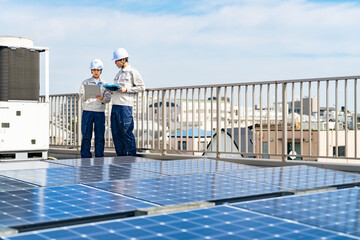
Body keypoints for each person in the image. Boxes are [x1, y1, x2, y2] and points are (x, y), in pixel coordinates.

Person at [110, 48, 145, 156]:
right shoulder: (118, 74)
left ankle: (131, 158)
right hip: (115, 105)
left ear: (123, 59)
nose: (115, 63)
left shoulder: (132, 72)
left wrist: (127, 90)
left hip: (125, 107)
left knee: (126, 132)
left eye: (116, 61)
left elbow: (142, 87)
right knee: (116, 134)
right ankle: (120, 157)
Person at [79, 59, 111, 158]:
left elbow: (108, 98)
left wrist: (103, 98)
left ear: (101, 71)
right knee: (86, 135)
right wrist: (88, 95)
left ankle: (99, 156)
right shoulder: (85, 82)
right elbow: (81, 95)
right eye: (94, 70)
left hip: (99, 111)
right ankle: (85, 156)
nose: (96, 72)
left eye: (98, 70)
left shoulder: (105, 84)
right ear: (91, 71)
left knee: (100, 136)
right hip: (87, 110)